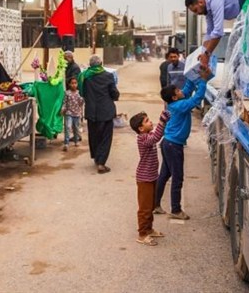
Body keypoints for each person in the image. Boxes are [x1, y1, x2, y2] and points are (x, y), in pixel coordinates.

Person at [153, 67, 211, 219]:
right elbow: (196, 99)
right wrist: (203, 80)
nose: (181, 91)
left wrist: (193, 75)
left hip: (168, 143)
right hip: (173, 146)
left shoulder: (175, 102)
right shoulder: (180, 106)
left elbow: (187, 90)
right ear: (174, 97)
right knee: (177, 177)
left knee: (164, 174)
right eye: (177, 91)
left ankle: (156, 204)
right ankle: (176, 210)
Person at [130, 108, 171, 246]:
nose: (150, 122)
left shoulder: (147, 135)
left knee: (151, 205)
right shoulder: (143, 138)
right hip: (145, 179)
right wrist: (162, 121)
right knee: (145, 208)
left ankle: (149, 229)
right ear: (141, 128)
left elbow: (157, 134)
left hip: (152, 176)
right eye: (147, 121)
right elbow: (155, 137)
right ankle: (142, 234)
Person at [185, 0, 244, 68]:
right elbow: (209, 33)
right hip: (244, 11)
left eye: (195, 10)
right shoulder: (208, 12)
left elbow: (218, 31)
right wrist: (202, 52)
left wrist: (207, 54)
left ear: (200, 2)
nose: (197, 14)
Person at [79, 55, 120, 174]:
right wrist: (115, 96)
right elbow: (114, 93)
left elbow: (83, 93)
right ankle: (101, 163)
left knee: (94, 136)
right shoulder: (108, 76)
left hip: (91, 111)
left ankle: (97, 158)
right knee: (106, 137)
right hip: (106, 111)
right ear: (101, 63)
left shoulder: (84, 77)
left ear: (90, 65)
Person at [61, 76, 84, 151]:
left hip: (77, 113)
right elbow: (64, 102)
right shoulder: (67, 93)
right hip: (69, 112)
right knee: (67, 127)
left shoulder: (78, 93)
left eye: (75, 83)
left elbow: (80, 104)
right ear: (69, 84)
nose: (74, 85)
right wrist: (63, 109)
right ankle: (66, 143)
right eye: (72, 83)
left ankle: (76, 141)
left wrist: (82, 100)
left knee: (76, 128)